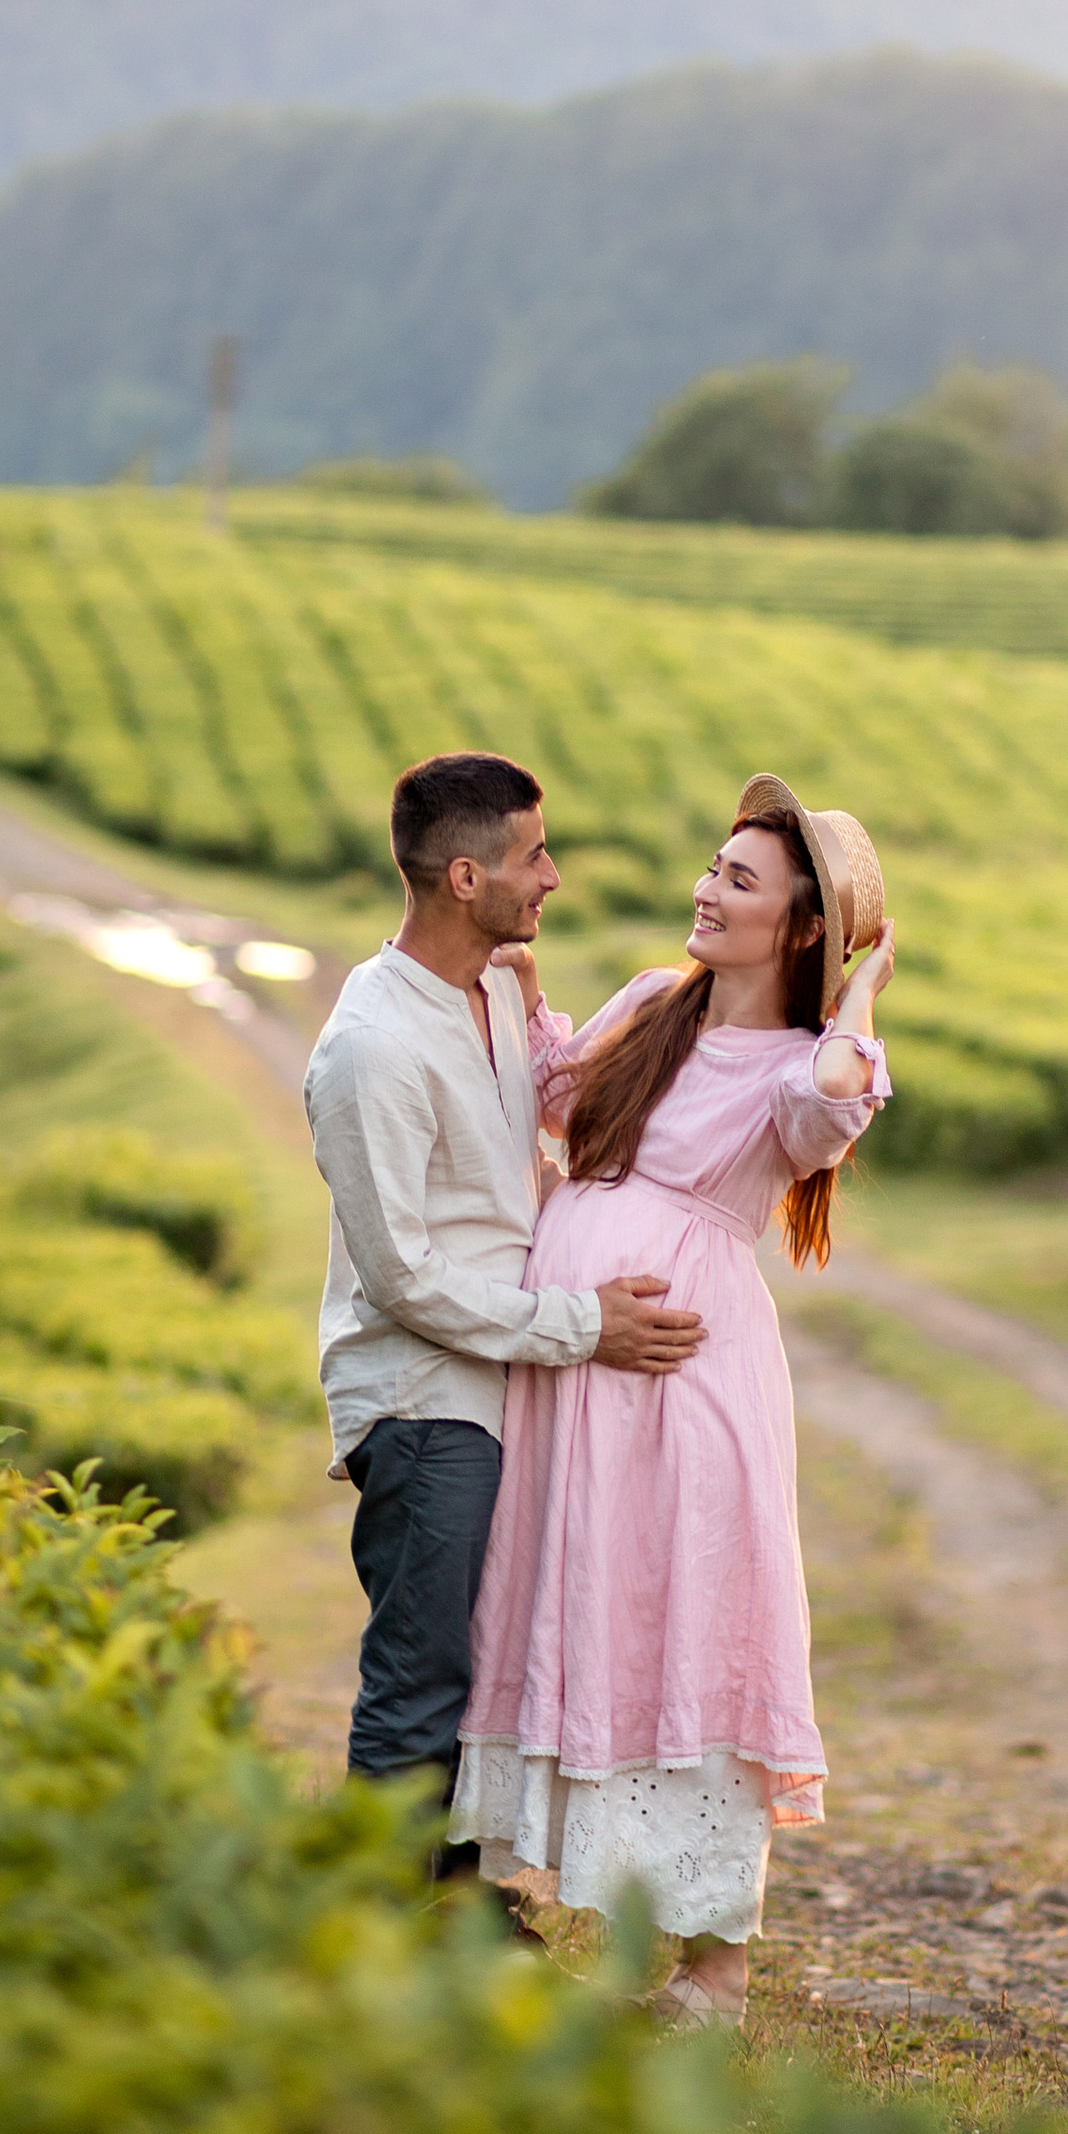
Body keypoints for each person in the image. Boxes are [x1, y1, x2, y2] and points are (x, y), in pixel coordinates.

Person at [449, 773, 894, 2022]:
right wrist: (532, 995)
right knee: (565, 1585)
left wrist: (859, 995)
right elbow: (559, 1103)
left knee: (684, 1606)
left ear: (799, 929)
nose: (706, 890)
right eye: (713, 866)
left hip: (680, 1377)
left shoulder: (809, 1063)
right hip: (571, 1370)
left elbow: (827, 1111)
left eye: (740, 881)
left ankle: (713, 1968)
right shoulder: (653, 1001)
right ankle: (501, 1886)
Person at [303, 748, 705, 1863]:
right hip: (424, 1398)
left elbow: (529, 1138)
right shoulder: (371, 1051)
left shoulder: (484, 989)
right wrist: (586, 1326)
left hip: (499, 1385)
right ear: (466, 879)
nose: (555, 877)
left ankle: (458, 1898)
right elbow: (404, 1279)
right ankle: (378, 1927)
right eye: (533, 854)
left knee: (482, 1665)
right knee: (422, 1673)